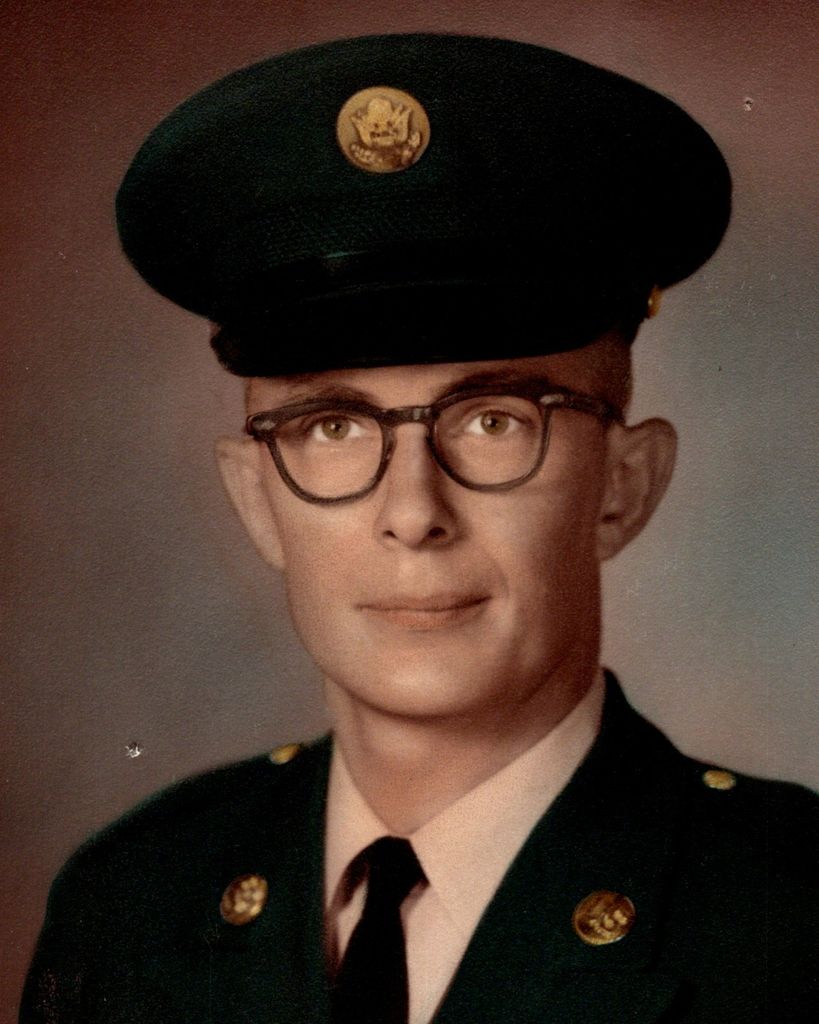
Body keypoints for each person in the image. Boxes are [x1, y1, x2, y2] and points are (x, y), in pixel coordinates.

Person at [19, 32, 817, 1024]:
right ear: (257, 499)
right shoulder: (129, 905)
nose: (411, 513)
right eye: (333, 427)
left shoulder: (793, 923)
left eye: (493, 422)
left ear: (624, 485)